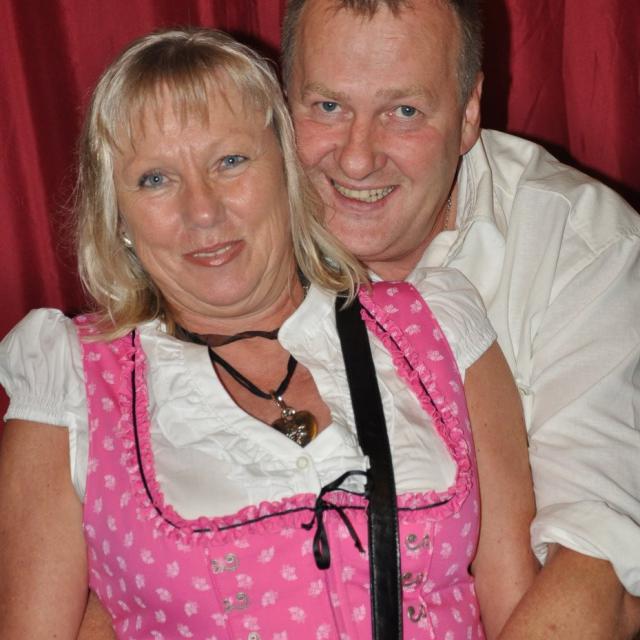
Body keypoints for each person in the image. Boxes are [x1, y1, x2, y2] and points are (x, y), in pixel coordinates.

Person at [0, 27, 536, 640]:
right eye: (155, 179)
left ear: (285, 166)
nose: (203, 211)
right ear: (118, 214)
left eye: (230, 162)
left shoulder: (435, 326)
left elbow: (519, 605)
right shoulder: (70, 384)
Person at [282, 0, 640, 637]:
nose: (357, 159)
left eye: (404, 112)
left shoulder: (583, 249)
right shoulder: (221, 235)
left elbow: (599, 577)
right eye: (328, 106)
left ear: (470, 111)